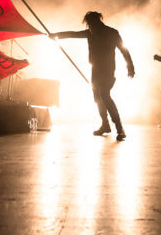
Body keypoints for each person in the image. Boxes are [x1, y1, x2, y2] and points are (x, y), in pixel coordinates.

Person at [49, 11, 135, 141]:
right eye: (88, 25)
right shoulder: (90, 33)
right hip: (95, 70)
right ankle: (105, 125)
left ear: (97, 22)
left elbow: (124, 50)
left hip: (108, 70)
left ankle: (119, 128)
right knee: (97, 97)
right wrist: (56, 35)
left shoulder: (112, 33)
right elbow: (73, 34)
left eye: (90, 24)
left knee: (104, 95)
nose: (89, 27)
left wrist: (130, 67)